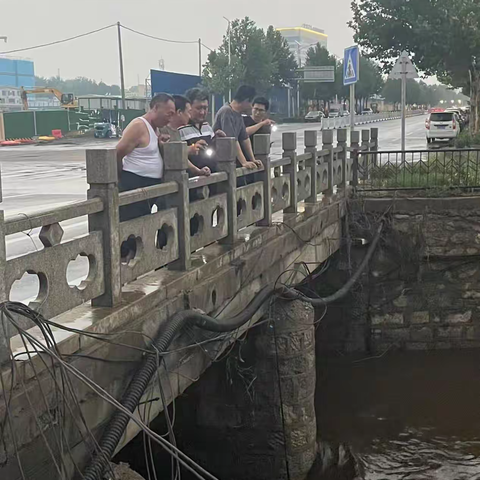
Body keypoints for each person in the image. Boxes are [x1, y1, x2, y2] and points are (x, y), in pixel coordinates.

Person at [116, 93, 175, 222]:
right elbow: (117, 154)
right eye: (168, 114)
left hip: (150, 187)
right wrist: (121, 178)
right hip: (134, 184)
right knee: (132, 230)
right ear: (155, 107)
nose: (170, 119)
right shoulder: (139, 126)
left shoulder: (156, 129)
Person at [160, 94, 211, 177]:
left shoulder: (175, 131)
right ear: (179, 112)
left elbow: (182, 158)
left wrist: (198, 171)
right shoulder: (163, 131)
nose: (189, 116)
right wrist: (188, 150)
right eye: (188, 112)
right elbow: (171, 155)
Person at [213, 85, 262, 170]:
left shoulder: (238, 114)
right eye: (251, 104)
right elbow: (232, 140)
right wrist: (244, 162)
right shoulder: (227, 111)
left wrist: (253, 159)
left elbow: (245, 138)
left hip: (232, 160)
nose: (252, 107)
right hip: (221, 161)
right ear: (246, 100)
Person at [179, 88, 225, 174]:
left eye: (205, 108)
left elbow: (211, 150)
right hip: (191, 180)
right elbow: (176, 155)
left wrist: (217, 139)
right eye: (198, 108)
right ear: (189, 107)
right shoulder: (180, 129)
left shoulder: (207, 127)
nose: (202, 112)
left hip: (212, 177)